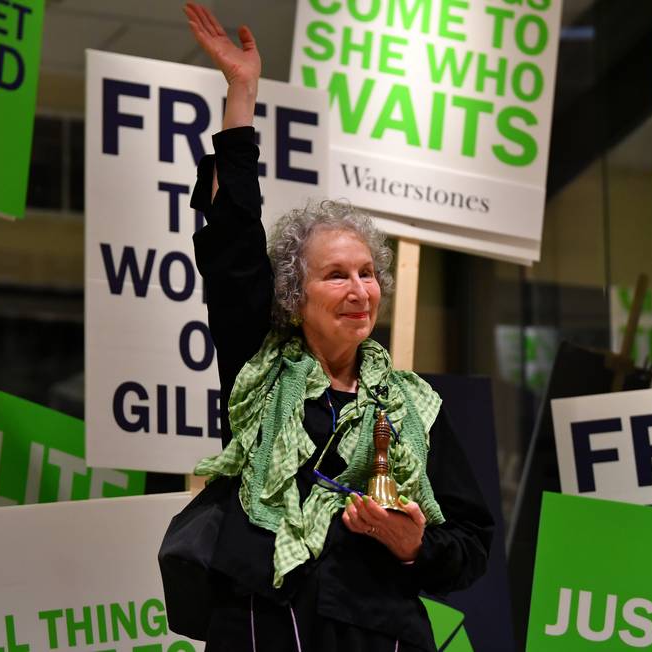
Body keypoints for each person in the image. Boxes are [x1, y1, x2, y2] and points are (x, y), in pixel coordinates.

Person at [182, 4, 494, 650]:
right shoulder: (259, 370)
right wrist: (242, 97)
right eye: (336, 276)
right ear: (295, 295)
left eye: (366, 273)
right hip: (260, 625)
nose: (358, 290)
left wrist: (414, 545)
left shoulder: (415, 408)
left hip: (376, 634)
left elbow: (470, 544)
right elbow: (235, 245)